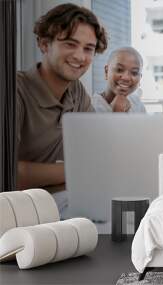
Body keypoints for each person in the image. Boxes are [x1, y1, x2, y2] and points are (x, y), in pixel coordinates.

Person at [16, 4, 107, 195]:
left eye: (88, 48)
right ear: (44, 44)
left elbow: (96, 151)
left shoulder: (76, 91)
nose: (80, 56)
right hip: (15, 208)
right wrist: (77, 171)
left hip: (58, 199)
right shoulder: (14, 90)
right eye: (70, 44)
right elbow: (10, 172)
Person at [91, 47, 146, 113]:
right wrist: (118, 112)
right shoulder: (91, 107)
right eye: (119, 70)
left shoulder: (138, 105)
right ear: (106, 71)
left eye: (134, 73)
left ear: (140, 78)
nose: (126, 78)